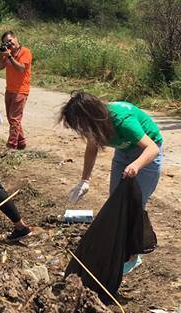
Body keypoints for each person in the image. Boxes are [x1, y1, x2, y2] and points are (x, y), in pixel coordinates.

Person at [59, 91, 163, 274]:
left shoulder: (123, 121)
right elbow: (92, 149)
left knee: (134, 207)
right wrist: (85, 180)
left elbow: (152, 148)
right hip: (123, 154)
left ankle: (133, 256)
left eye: (80, 125)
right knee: (117, 204)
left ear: (91, 116)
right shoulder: (94, 126)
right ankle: (121, 249)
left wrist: (136, 165)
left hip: (146, 156)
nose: (81, 131)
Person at [0, 31, 32, 150]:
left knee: (14, 119)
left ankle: (11, 145)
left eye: (10, 40)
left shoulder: (25, 52)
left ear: (16, 38)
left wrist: (10, 56)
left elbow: (21, 68)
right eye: (6, 42)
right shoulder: (8, 53)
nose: (9, 43)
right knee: (11, 118)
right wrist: (2, 54)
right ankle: (21, 142)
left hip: (21, 90)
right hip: (9, 89)